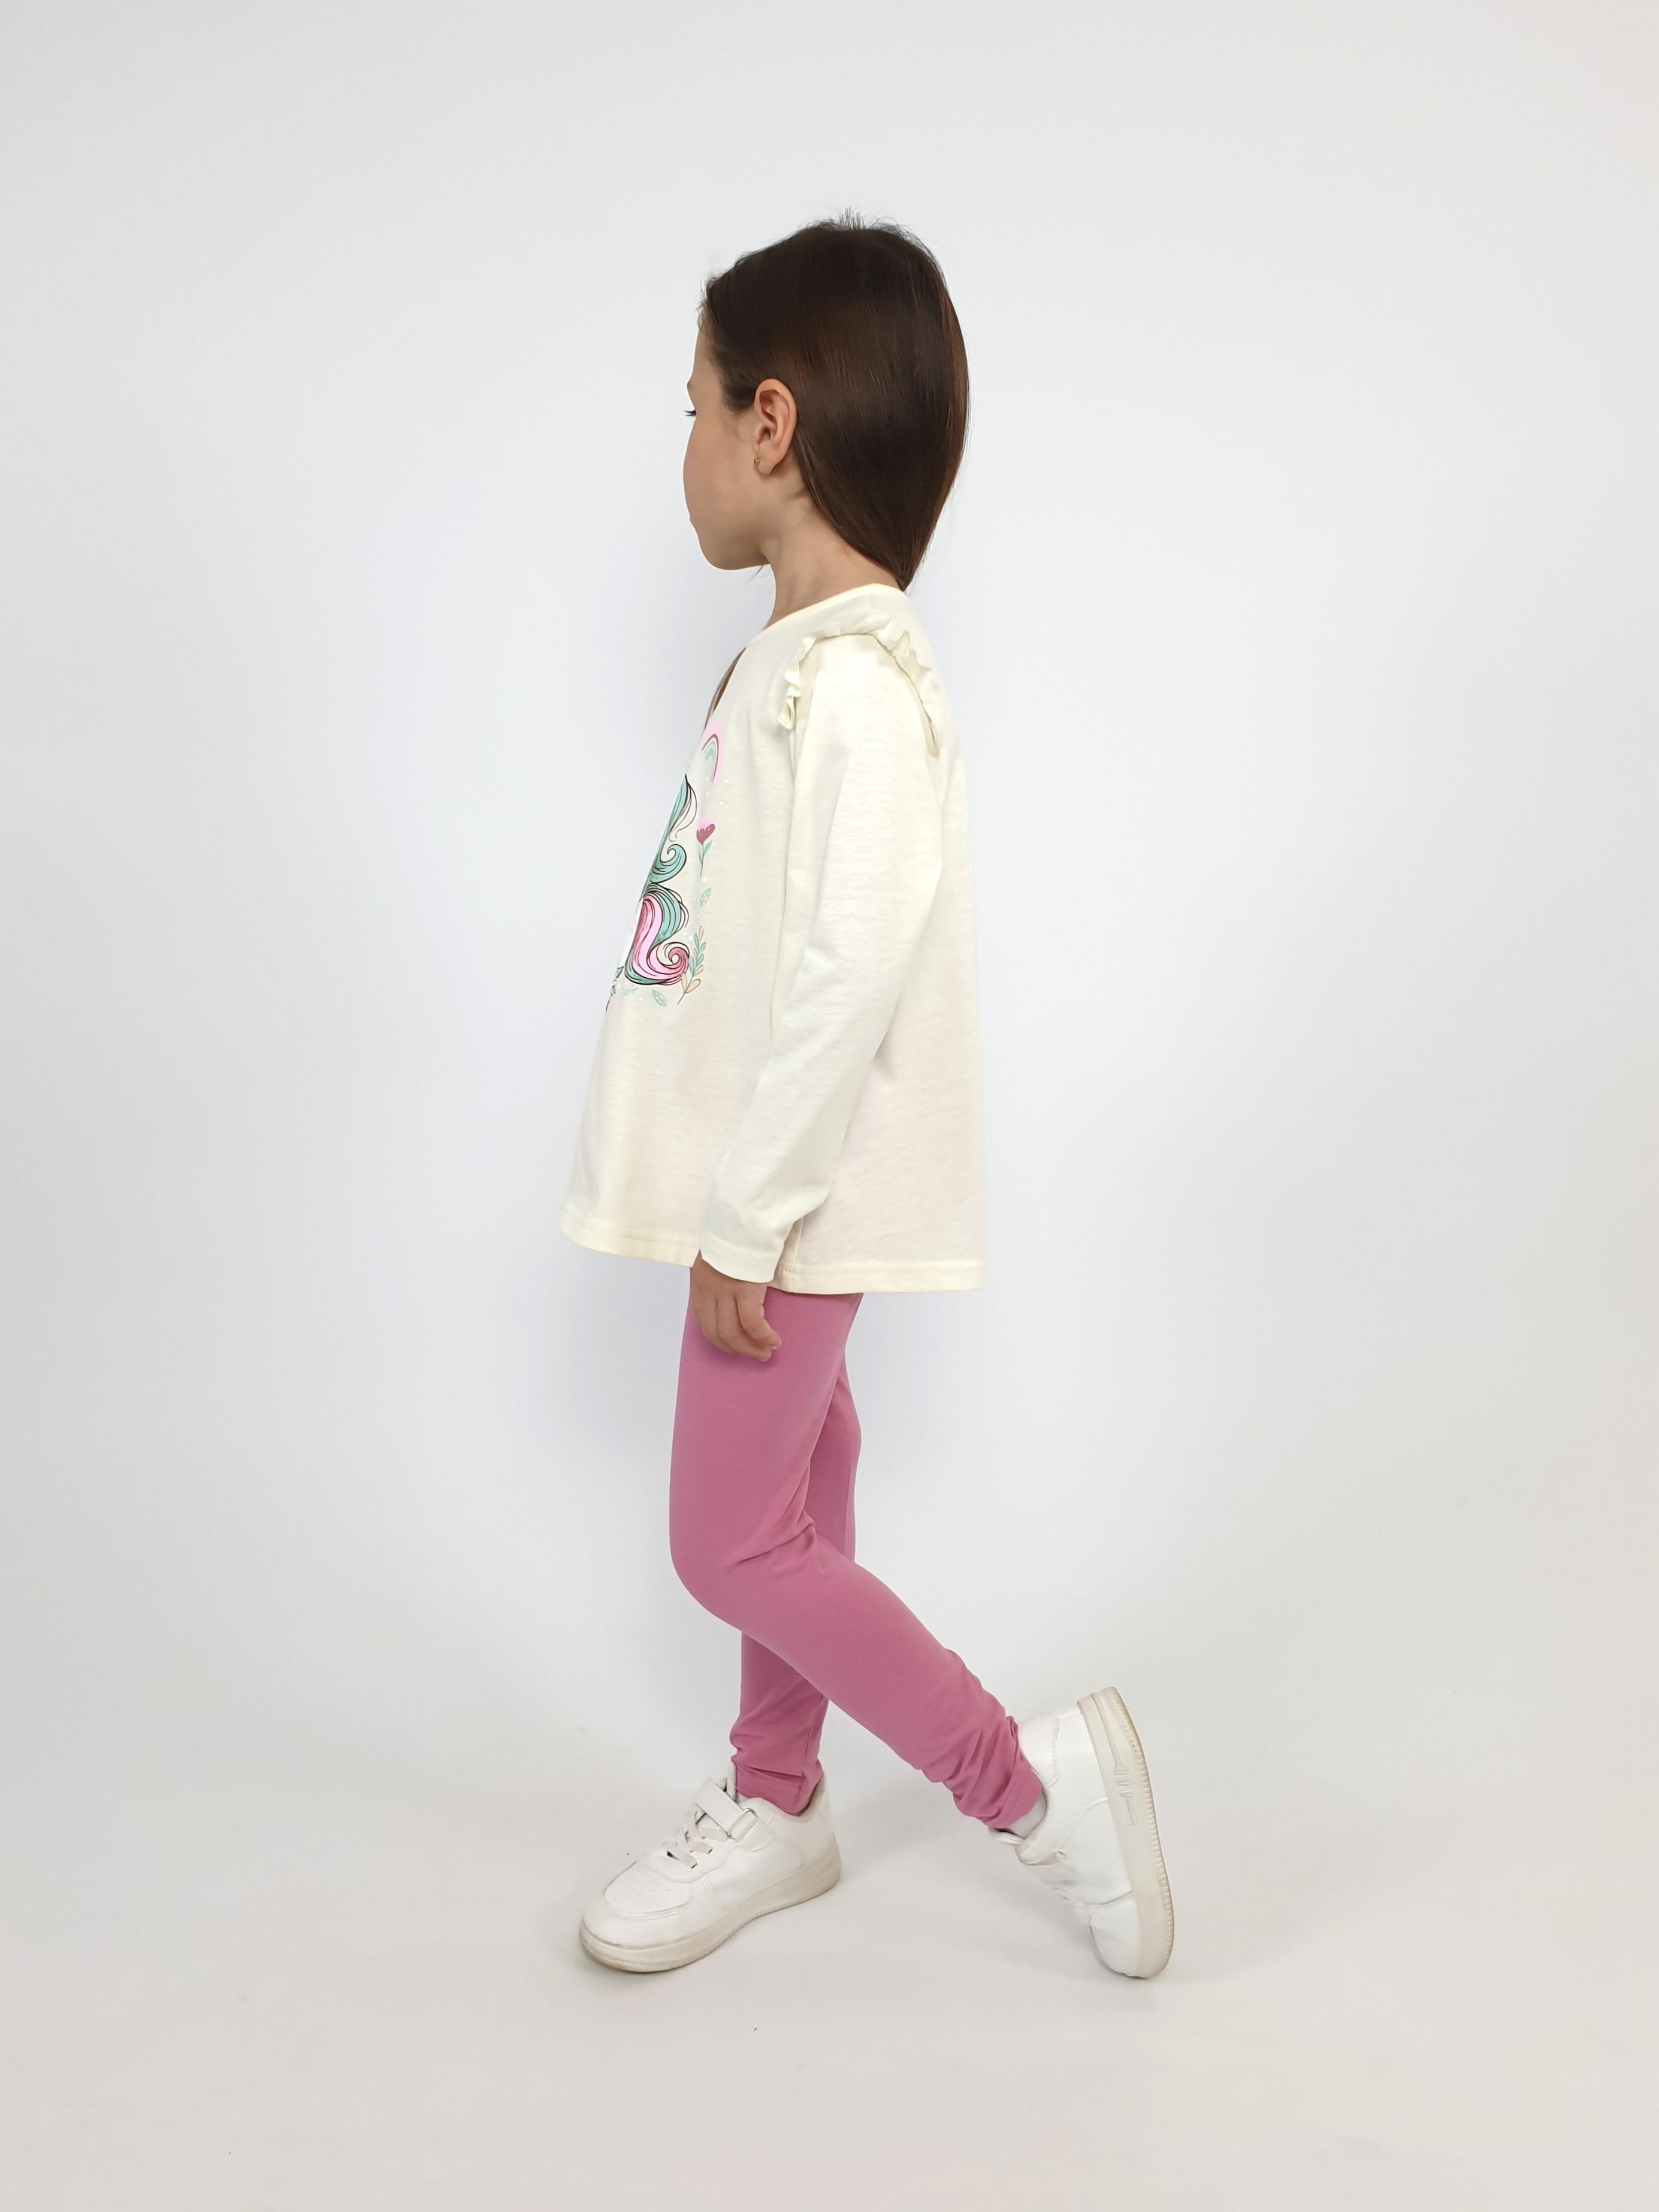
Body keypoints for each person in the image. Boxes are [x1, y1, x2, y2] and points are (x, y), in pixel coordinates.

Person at [560, 215, 1174, 1979]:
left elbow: (853, 965)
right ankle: (778, 1796)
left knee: (724, 1540)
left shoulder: (861, 685)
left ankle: (1030, 1789)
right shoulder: (798, 664)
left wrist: (747, 1213)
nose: (682, 446)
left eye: (692, 406)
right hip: (769, 1186)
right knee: (799, 1488)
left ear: (770, 423)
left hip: (789, 1198)